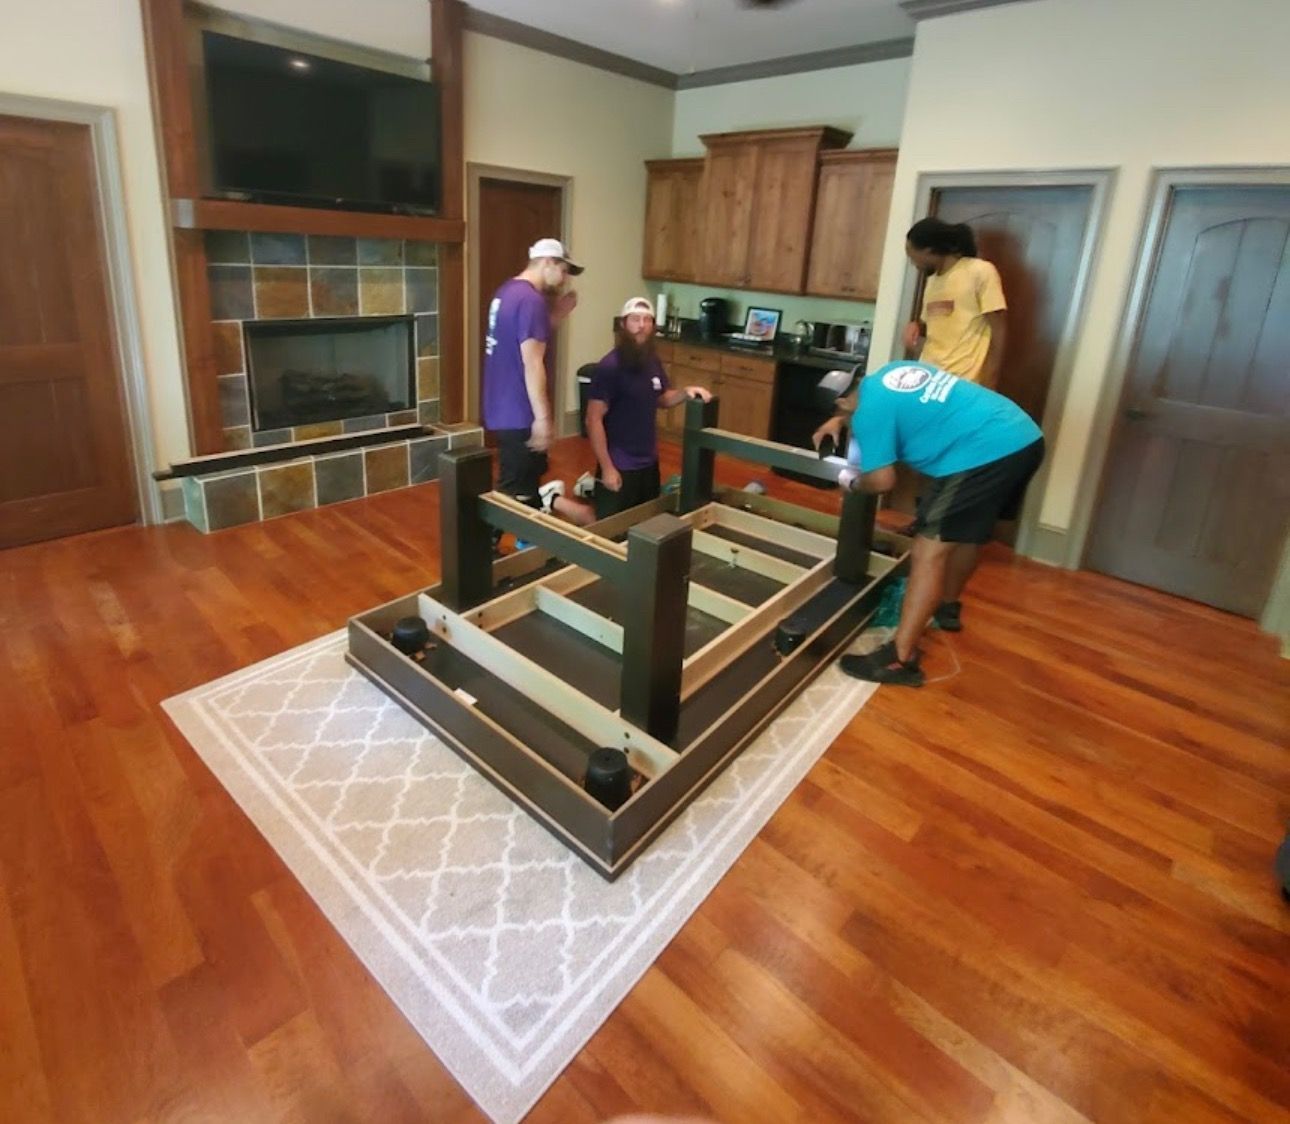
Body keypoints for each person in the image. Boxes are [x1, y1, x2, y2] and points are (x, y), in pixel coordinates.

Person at [817, 360, 1044, 686]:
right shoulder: (893, 372)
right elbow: (893, 406)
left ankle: (899, 659)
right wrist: (842, 419)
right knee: (966, 534)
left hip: (980, 453)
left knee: (929, 551)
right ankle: (946, 608)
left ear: (841, 403)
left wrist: (852, 482)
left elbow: (882, 481)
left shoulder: (868, 417)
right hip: (1022, 437)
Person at [481, 237, 587, 526]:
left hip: (500, 405)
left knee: (524, 481)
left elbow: (522, 337)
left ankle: (533, 541)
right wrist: (542, 418)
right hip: (519, 410)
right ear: (548, 262)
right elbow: (532, 361)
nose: (564, 279)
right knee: (512, 491)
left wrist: (558, 314)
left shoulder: (507, 292)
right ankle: (488, 556)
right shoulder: (530, 300)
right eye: (564, 270)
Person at [584, 297, 712, 519]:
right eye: (635, 319)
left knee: (646, 525)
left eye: (647, 320)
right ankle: (559, 501)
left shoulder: (652, 361)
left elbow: (661, 398)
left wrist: (686, 391)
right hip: (620, 463)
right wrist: (607, 468)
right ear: (623, 325)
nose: (641, 325)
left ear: (653, 326)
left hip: (648, 462)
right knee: (609, 531)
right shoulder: (609, 367)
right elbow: (593, 420)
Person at [903, 217, 1008, 387]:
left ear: (929, 250)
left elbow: (999, 329)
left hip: (963, 381)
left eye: (912, 254)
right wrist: (915, 325)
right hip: (928, 377)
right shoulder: (932, 281)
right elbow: (933, 323)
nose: (912, 262)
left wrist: (991, 378)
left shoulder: (979, 271)